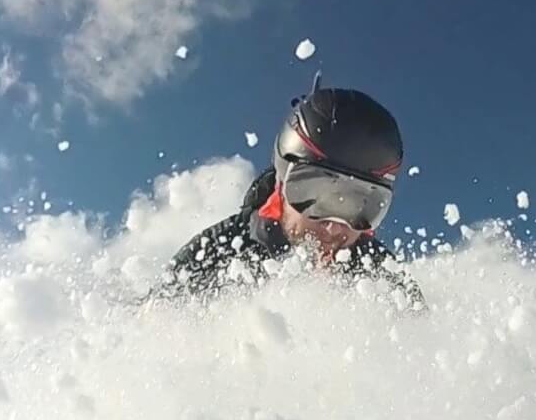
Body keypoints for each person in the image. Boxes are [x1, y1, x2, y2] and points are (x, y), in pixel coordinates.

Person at [160, 81, 419, 303]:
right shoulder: (215, 256)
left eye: (360, 206)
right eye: (315, 196)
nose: (334, 227)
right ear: (281, 182)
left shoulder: (388, 284)